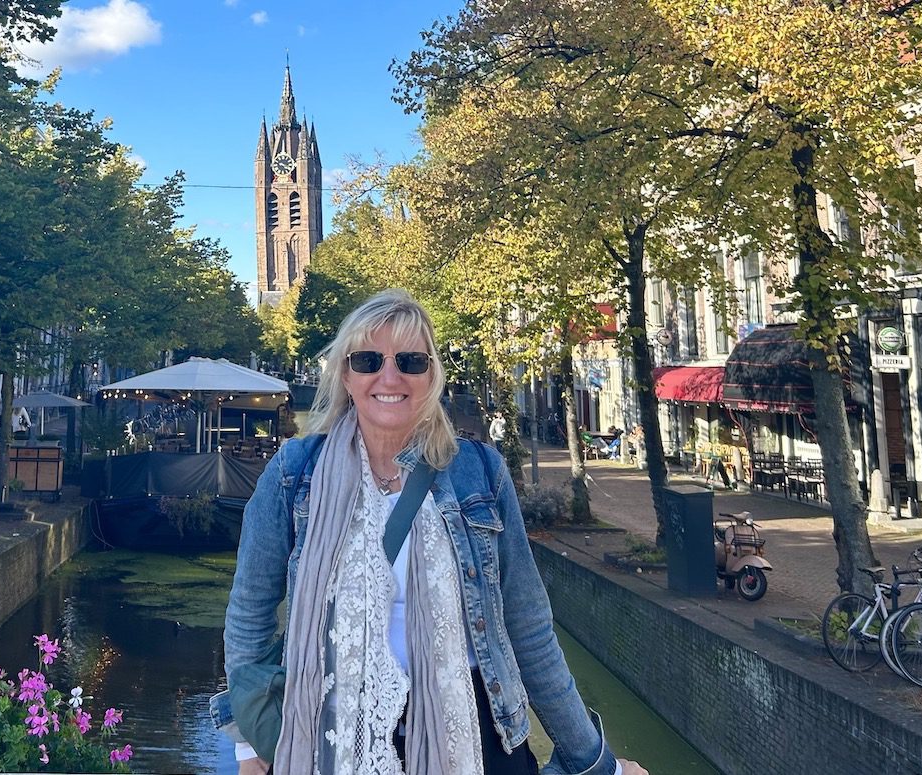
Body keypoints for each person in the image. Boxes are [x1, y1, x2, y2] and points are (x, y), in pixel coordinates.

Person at [219, 289, 646, 775]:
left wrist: (595, 762)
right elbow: (250, 613)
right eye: (367, 359)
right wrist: (248, 742)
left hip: (476, 738)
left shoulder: (479, 471)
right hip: (328, 737)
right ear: (345, 374)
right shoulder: (294, 475)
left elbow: (527, 625)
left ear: (431, 375)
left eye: (410, 360)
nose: (390, 375)